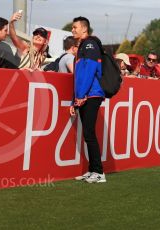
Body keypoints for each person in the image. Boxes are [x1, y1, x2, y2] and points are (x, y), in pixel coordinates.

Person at [70, 16, 106, 183]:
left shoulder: (90, 44)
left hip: (91, 95)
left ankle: (99, 173)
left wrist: (81, 96)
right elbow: (79, 76)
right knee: (88, 134)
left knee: (89, 134)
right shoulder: (84, 45)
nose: (72, 30)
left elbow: (90, 71)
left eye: (75, 27)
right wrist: (74, 100)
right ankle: (92, 170)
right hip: (85, 95)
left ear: (84, 29)